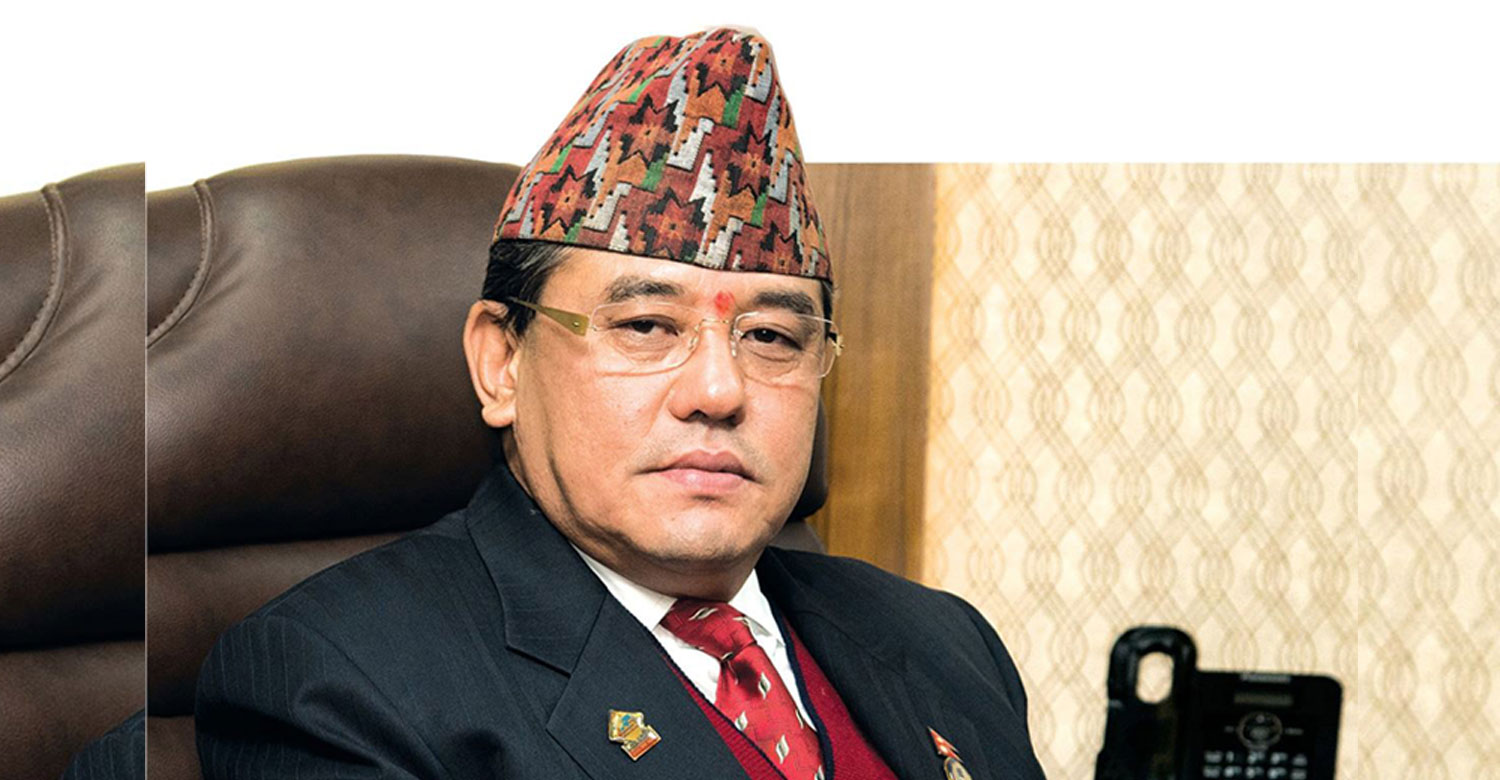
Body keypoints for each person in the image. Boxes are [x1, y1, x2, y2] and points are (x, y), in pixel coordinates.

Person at [195, 27, 1045, 780]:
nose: (719, 391)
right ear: (502, 362)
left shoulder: (943, 639)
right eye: (645, 326)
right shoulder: (338, 682)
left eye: (771, 338)